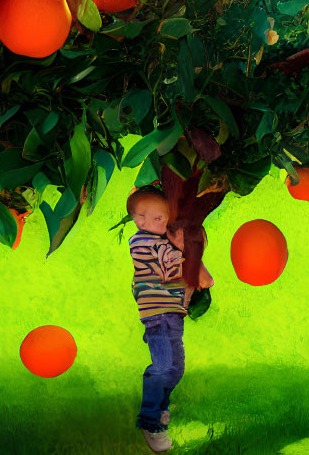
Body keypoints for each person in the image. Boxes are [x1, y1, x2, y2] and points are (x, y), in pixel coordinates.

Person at [127, 188, 187, 453]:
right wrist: (184, 248)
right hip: (158, 315)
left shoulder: (160, 241)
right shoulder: (143, 242)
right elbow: (171, 263)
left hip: (171, 313)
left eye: (165, 218)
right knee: (163, 367)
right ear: (140, 220)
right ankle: (151, 422)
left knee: (176, 369)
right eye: (158, 219)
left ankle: (160, 408)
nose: (164, 224)